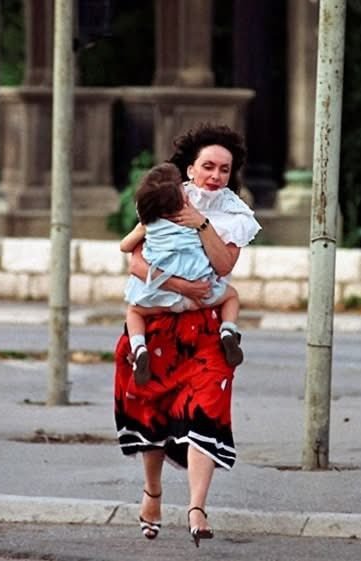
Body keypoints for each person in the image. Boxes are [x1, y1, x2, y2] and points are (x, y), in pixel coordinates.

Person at [114, 123, 260, 548]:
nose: (215, 175)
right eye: (208, 166)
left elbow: (224, 266)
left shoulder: (234, 214)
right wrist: (183, 287)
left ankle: (197, 507)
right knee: (152, 413)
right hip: (160, 318)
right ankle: (152, 493)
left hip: (207, 330)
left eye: (224, 169)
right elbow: (134, 262)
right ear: (191, 168)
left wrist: (201, 224)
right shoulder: (164, 198)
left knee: (207, 409)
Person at [119, 163, 245, 386]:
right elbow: (217, 260)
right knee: (231, 295)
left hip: (159, 297)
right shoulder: (196, 222)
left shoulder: (150, 224)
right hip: (201, 294)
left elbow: (126, 247)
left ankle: (139, 348)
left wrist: (141, 228)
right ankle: (228, 330)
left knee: (134, 311)